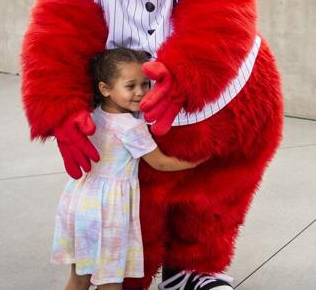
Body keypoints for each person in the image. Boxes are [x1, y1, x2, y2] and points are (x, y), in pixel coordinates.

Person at [52, 48, 203, 290]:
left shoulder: (93, 114)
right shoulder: (131, 128)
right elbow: (160, 162)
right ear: (105, 89)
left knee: (80, 276)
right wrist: (196, 160)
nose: (140, 92)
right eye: (130, 86)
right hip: (108, 212)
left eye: (145, 84)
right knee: (110, 281)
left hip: (79, 203)